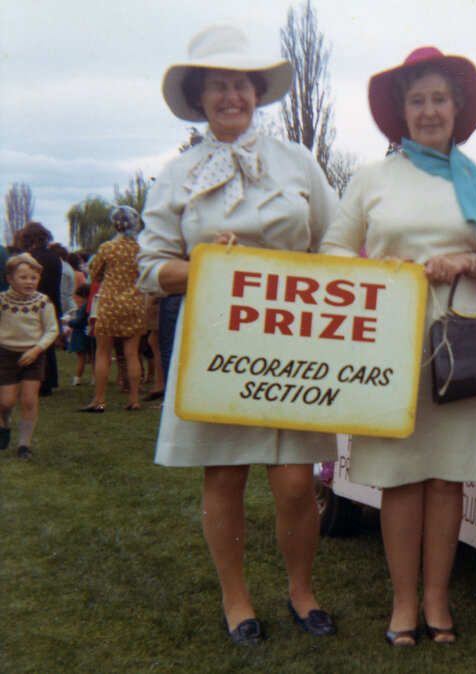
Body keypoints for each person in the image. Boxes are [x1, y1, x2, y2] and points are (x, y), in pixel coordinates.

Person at [135, 24, 339, 646]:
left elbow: (332, 236)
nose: (232, 96)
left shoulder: (297, 159)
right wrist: (199, 268)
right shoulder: (176, 174)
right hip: (216, 345)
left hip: (293, 343)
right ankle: (236, 599)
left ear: (258, 93)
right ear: (200, 97)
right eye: (219, 86)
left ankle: (301, 590)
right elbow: (150, 264)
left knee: (297, 480)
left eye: (242, 85)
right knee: (224, 475)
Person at [320, 46, 476, 646]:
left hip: (463, 352)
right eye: (417, 100)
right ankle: (404, 603)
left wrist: (468, 260)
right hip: (392, 348)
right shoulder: (371, 180)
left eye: (440, 98)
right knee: (401, 477)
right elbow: (334, 252)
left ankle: (438, 600)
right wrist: (379, 270)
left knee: (447, 479)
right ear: (401, 111)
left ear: (458, 107)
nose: (429, 110)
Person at [78, 206, 147, 412]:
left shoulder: (107, 248)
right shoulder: (142, 249)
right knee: (132, 354)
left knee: (103, 354)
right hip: (135, 303)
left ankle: (99, 400)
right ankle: (134, 398)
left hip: (109, 304)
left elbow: (95, 275)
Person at [0, 254, 59, 458]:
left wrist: (37, 350)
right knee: (6, 402)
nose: (29, 282)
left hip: (33, 355)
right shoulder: (2, 301)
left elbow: (52, 330)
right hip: (6, 354)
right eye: (23, 277)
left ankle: (24, 444)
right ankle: (5, 422)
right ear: (10, 279)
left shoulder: (43, 302)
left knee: (29, 400)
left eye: (33, 278)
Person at [13, 223, 63, 395]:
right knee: (47, 343)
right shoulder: (55, 257)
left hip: (31, 303)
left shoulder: (26, 258)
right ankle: (50, 380)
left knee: (33, 343)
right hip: (52, 302)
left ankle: (37, 381)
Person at [64, 282, 94, 386]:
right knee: (93, 356)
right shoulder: (92, 307)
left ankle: (77, 379)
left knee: (81, 358)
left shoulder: (83, 307)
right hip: (90, 335)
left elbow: (79, 322)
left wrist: (68, 322)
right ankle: (95, 377)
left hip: (80, 336)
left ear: (84, 296)